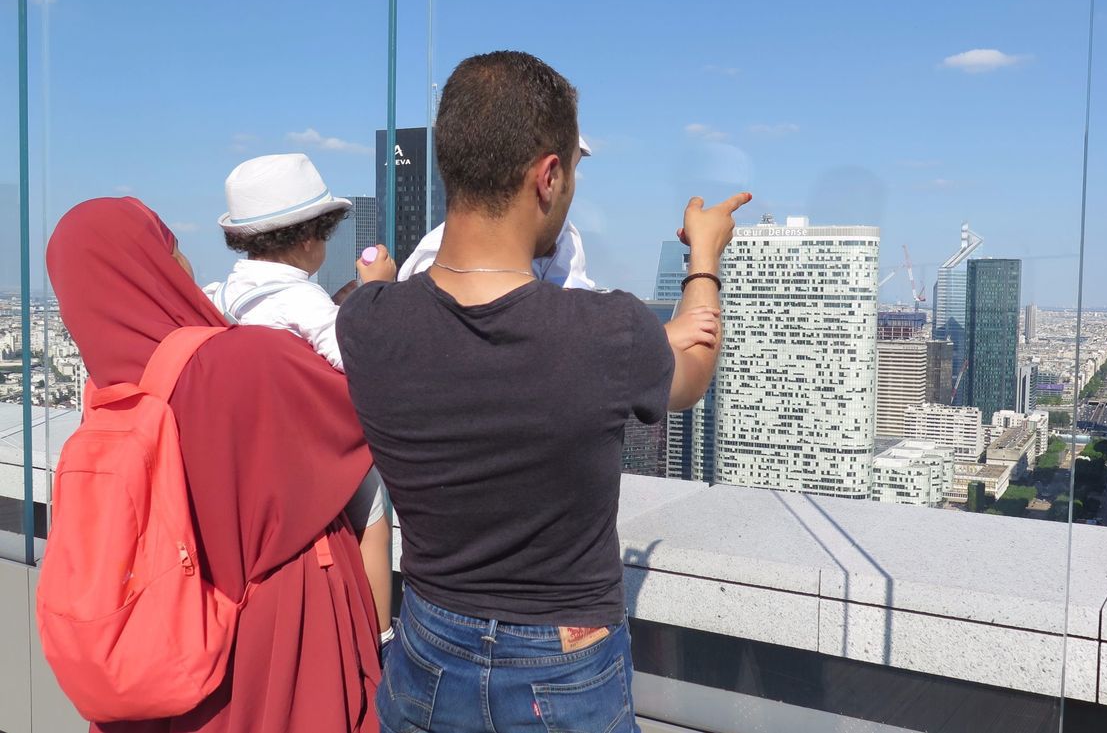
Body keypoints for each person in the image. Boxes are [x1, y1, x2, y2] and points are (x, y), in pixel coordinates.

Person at [337, 50, 749, 732]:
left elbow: (380, 289)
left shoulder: (367, 325)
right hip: (566, 666)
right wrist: (703, 257)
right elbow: (694, 370)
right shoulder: (603, 332)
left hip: (428, 645)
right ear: (548, 175)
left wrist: (379, 271)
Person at [46, 197, 381, 733]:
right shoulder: (240, 360)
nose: (189, 266)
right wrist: (375, 298)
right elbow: (370, 406)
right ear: (153, 265)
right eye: (173, 248)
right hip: (268, 649)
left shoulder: (105, 395)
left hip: (161, 655)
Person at [203, 152, 395, 636]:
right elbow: (365, 372)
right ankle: (378, 635)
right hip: (298, 466)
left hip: (239, 464)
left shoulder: (216, 296)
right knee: (373, 499)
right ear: (311, 236)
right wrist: (375, 298)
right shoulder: (305, 302)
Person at [399, 136, 722, 351]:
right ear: (548, 176)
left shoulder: (564, 237)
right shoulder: (433, 254)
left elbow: (571, 309)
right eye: (571, 170)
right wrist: (655, 337)